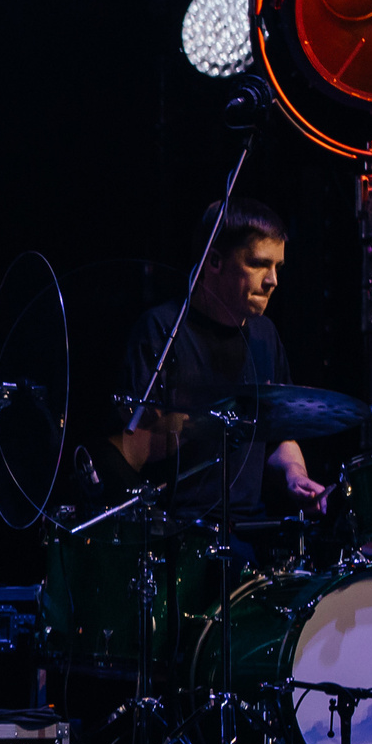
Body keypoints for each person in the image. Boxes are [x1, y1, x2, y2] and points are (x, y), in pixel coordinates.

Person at [105, 198, 332, 519]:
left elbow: (278, 435)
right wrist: (197, 420)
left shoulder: (266, 335)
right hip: (176, 531)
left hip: (248, 528)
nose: (273, 281)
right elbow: (132, 452)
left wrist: (295, 474)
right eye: (258, 264)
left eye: (277, 267)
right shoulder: (162, 330)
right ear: (214, 261)